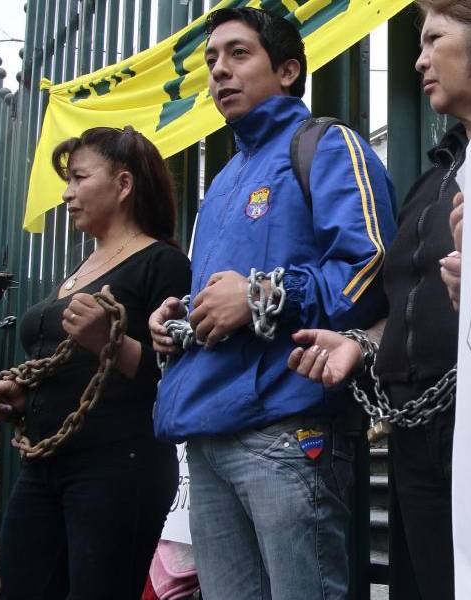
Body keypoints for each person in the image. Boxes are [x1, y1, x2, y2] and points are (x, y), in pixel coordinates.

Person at [288, 1, 471, 598]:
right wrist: (361, 344)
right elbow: (406, 306)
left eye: (433, 40)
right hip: (418, 433)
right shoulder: (432, 183)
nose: (419, 60)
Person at [147, 7, 397, 600]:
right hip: (207, 434)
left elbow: (369, 269)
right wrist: (182, 320)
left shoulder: (327, 144)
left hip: (288, 427)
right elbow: (223, 299)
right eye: (212, 60)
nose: (219, 71)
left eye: (239, 54)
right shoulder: (222, 181)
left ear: (287, 70)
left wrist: (260, 296)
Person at [0, 126, 190, 599]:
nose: (67, 193)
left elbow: (176, 377)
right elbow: (72, 367)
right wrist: (24, 395)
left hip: (118, 465)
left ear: (123, 184)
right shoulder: (80, 265)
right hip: (46, 463)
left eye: (79, 177)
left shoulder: (163, 263)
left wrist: (107, 341)